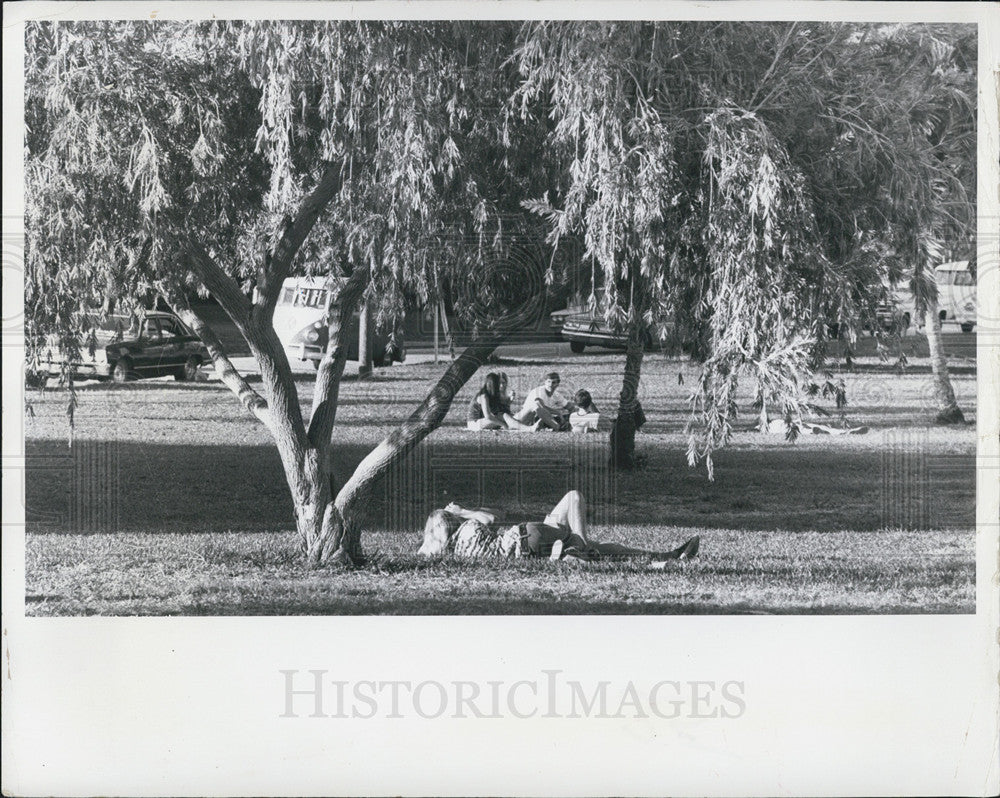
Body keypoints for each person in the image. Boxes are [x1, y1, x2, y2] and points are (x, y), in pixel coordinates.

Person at [418, 490, 700, 566]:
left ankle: (667, 556)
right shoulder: (468, 527)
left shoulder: (456, 549)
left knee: (599, 549)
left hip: (527, 545)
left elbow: (497, 514)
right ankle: (578, 550)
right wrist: (461, 510)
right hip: (525, 535)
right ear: (450, 520)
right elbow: (493, 518)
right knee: (574, 497)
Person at [467, 372, 536, 431]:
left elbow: (498, 412)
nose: (500, 386)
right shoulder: (483, 396)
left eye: (503, 383)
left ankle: (527, 426)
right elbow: (488, 416)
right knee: (504, 417)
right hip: (474, 424)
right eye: (498, 384)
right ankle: (529, 428)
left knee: (505, 416)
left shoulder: (490, 395)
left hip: (482, 421)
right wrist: (503, 424)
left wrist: (509, 402)